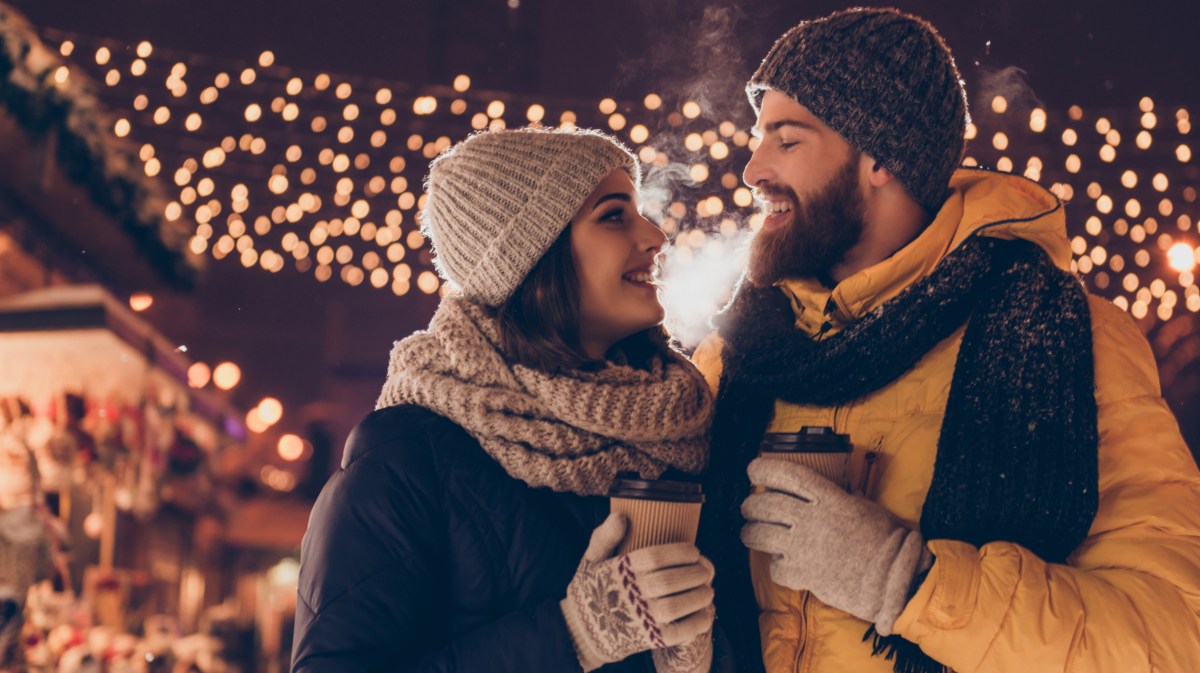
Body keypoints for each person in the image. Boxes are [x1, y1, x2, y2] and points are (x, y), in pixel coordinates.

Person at [693, 7, 1200, 673]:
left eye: (787, 140)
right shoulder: (735, 356)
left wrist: (909, 583)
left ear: (879, 156)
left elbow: (1173, 632)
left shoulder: (1064, 339)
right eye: (760, 137)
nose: (753, 168)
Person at [292, 127, 720, 673]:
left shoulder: (681, 432)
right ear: (532, 258)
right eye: (614, 215)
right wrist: (573, 638)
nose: (655, 236)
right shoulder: (407, 454)